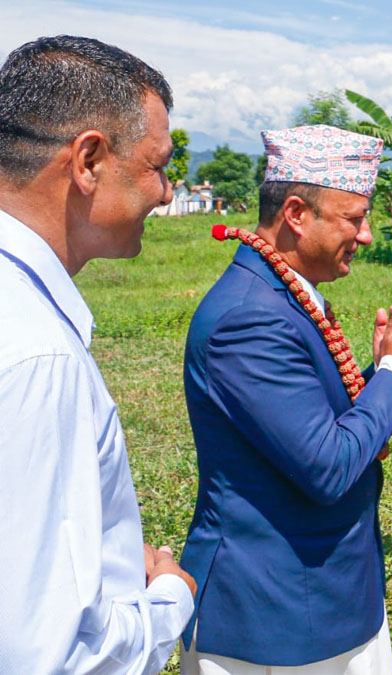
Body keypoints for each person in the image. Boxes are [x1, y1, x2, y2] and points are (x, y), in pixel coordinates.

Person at [179, 124, 392, 673]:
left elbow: (306, 425)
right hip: (276, 616)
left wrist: (378, 373)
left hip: (321, 596)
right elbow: (328, 465)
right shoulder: (249, 317)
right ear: (295, 213)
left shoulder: (277, 294)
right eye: (354, 219)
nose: (366, 237)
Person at [0, 35, 196, 673]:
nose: (166, 193)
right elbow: (50, 653)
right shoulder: (38, 357)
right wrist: (168, 598)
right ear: (88, 160)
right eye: (157, 165)